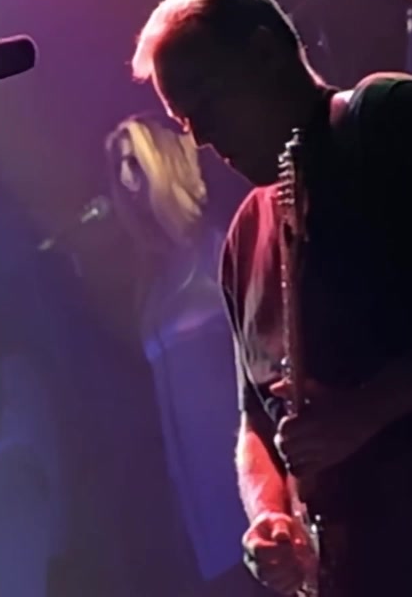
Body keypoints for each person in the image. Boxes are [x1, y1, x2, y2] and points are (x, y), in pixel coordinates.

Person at [129, 0, 412, 596]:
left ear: (264, 52)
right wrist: (271, 516)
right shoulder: (243, 239)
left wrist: (361, 415)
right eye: (183, 119)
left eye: (205, 100)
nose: (198, 137)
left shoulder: (388, 116)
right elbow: (258, 421)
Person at [104, 113, 262, 595]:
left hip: (254, 493)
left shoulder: (220, 250)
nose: (125, 179)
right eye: (118, 167)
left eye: (135, 162)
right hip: (204, 518)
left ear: (165, 161)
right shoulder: (153, 284)